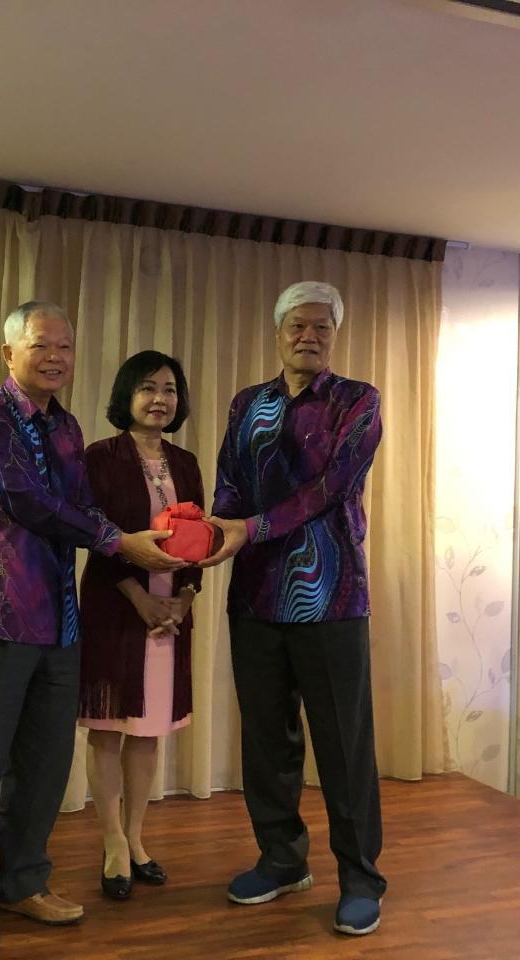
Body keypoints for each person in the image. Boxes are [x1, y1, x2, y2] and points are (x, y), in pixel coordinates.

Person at [0, 301, 185, 951]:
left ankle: (24, 881)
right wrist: (119, 542)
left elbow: (79, 505)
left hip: (59, 622)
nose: (56, 358)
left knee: (44, 766)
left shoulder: (69, 427)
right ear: (9, 354)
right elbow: (30, 502)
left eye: (66, 348)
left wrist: (132, 538)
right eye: (42, 346)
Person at [201, 280, 387, 937]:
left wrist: (246, 530)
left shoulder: (357, 402)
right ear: (278, 333)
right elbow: (230, 479)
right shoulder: (247, 404)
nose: (308, 337)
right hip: (253, 598)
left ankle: (362, 879)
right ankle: (282, 860)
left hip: (332, 597)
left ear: (334, 337)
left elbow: (327, 489)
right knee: (266, 740)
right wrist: (209, 529)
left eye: (321, 328)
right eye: (296, 327)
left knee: (344, 745)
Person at [78, 351, 204, 900]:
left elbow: (199, 539)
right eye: (148, 388)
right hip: (115, 608)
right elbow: (92, 532)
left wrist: (185, 599)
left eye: (170, 389)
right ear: (126, 396)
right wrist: (136, 595)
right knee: (109, 726)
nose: (160, 399)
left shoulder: (187, 461)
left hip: (168, 618)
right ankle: (110, 843)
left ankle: (136, 839)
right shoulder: (99, 457)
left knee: (148, 731)